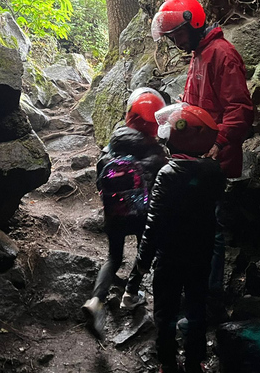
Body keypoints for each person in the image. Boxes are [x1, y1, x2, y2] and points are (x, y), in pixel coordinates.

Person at [151, 0, 254, 302]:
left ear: (194, 23)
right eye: (170, 38)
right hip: (198, 157)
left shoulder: (222, 54)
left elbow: (240, 111)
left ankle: (210, 299)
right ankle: (195, 291)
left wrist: (218, 143)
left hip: (216, 159)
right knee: (199, 225)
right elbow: (192, 107)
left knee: (214, 230)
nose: (175, 43)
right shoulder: (199, 54)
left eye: (178, 35)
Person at [136, 103, 227, 373]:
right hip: (201, 254)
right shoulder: (214, 173)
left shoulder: (167, 174)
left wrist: (142, 261)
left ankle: (167, 361)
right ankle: (194, 361)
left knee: (165, 311)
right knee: (196, 307)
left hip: (170, 257)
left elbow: (154, 222)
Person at [81, 87, 169, 339]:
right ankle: (131, 294)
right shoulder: (156, 152)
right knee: (144, 255)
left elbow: (100, 180)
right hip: (143, 216)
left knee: (113, 257)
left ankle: (96, 300)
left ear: (130, 114)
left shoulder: (112, 145)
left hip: (115, 214)